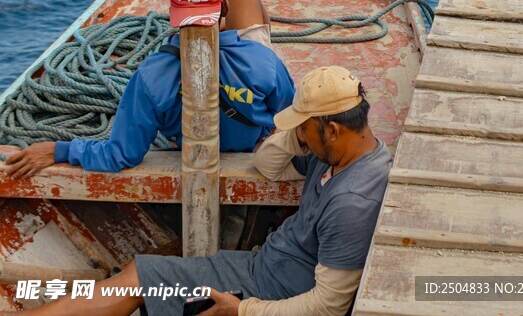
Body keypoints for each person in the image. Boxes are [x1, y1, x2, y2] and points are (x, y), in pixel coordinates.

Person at [28, 65, 390, 316]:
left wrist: (243, 310)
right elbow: (267, 163)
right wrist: (298, 135)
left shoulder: (351, 203)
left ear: (332, 131)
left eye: (306, 129)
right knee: (138, 278)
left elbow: (328, 306)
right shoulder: (336, 154)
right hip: (260, 268)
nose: (301, 137)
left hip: (266, 291)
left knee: (137, 280)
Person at [6, 0, 295, 176]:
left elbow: (120, 155)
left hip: (190, 145)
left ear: (173, 14)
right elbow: (290, 116)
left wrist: (58, 149)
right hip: (249, 139)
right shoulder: (263, 62)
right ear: (224, 12)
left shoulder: (151, 75)